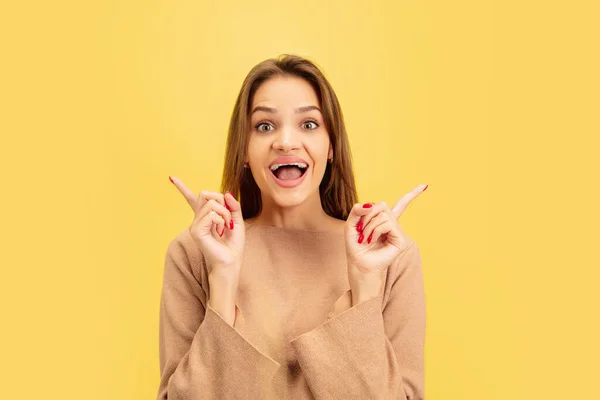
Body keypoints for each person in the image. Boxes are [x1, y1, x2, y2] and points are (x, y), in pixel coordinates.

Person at [156, 54, 428, 400]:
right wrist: (222, 278)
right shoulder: (193, 253)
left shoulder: (391, 257)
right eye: (264, 126)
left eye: (309, 124)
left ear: (331, 147)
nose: (285, 141)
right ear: (244, 149)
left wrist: (364, 290)